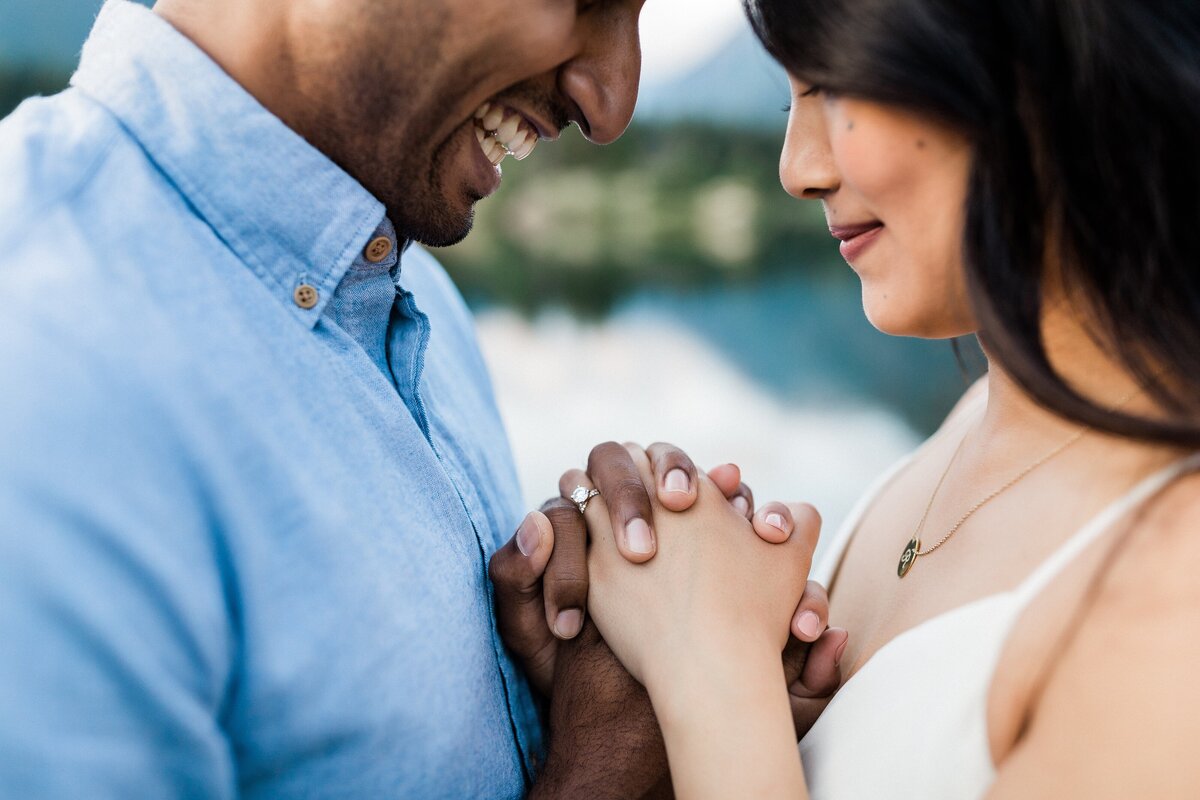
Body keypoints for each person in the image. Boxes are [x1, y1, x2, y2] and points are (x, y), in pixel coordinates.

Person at [0, 0, 850, 796]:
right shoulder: (44, 375)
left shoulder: (419, 298)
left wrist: (614, 679)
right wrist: (603, 775)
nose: (611, 102)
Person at [518, 0, 1200, 797]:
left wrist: (709, 667)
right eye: (789, 98)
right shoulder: (965, 426)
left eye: (835, 87)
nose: (797, 168)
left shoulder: (1177, 590)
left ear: (1038, 70)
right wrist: (628, 690)